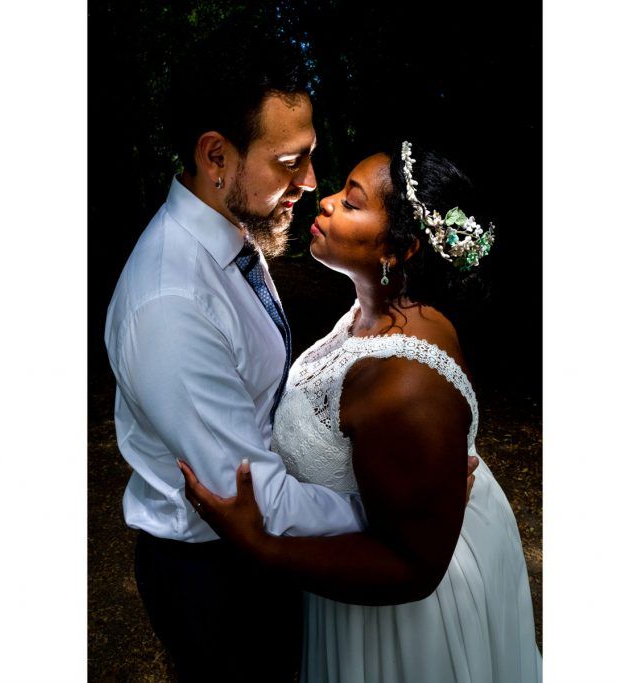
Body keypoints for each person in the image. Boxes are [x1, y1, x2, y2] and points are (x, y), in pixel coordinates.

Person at [103, 36, 477, 681]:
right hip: (216, 578)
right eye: (288, 162)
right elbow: (252, 499)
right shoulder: (171, 301)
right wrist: (398, 515)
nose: (309, 183)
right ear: (216, 156)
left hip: (269, 559)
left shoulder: (232, 236)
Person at [179, 141, 543, 683]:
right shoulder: (371, 313)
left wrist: (259, 544)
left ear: (401, 248)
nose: (323, 201)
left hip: (408, 617)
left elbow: (413, 568)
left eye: (351, 203)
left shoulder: (404, 381)